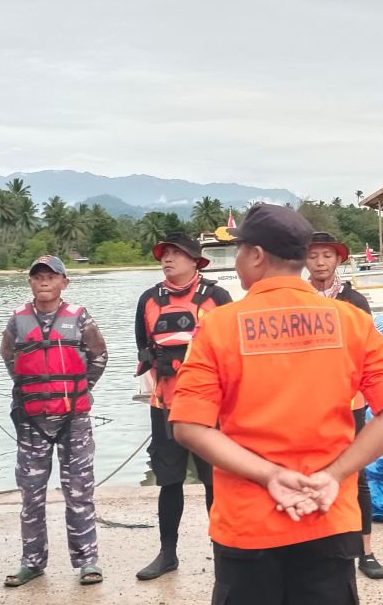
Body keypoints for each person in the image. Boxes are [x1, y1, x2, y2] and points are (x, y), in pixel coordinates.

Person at [169, 204, 383, 604]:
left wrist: (269, 476)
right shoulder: (352, 321)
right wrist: (334, 475)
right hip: (328, 514)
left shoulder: (219, 325)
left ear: (256, 255)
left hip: (249, 523)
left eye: (239, 252)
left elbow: (189, 426)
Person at [0, 255, 108, 586]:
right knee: (31, 493)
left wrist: (75, 392)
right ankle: (32, 561)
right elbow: (9, 357)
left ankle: (87, 561)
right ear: (30, 282)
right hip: (32, 422)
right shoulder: (17, 320)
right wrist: (34, 393)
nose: (44, 281)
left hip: (73, 420)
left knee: (79, 491)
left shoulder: (80, 318)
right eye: (38, 276)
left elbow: (99, 357)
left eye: (51, 275)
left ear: (64, 282)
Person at [133, 232, 232, 580]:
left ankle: (225, 555)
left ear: (195, 260)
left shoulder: (217, 297)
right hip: (165, 406)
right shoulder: (148, 299)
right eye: (164, 253)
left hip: (209, 408)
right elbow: (144, 350)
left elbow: (232, 352)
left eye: (176, 253)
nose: (167, 258)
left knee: (214, 482)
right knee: (169, 481)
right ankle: (167, 554)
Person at [306, 230, 383, 580]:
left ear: (338, 260)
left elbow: (368, 353)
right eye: (313, 256)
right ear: (304, 261)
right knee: (308, 470)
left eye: (327, 255)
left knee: (357, 475)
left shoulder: (356, 300)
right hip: (307, 403)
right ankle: (314, 544)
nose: (320, 262)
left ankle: (364, 549)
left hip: (351, 402)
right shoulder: (298, 299)